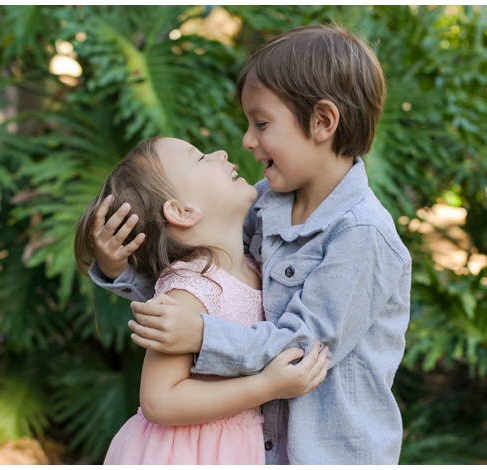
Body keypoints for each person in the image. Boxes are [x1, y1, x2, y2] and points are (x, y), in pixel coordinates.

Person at [89, 24, 411, 464]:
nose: (246, 141)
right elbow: (207, 283)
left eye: (261, 123)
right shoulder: (263, 205)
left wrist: (202, 337)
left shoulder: (362, 236)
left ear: (322, 122)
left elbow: (303, 350)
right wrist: (119, 269)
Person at [75, 136, 329, 465]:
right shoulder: (189, 290)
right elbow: (159, 401)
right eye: (199, 158)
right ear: (182, 211)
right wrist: (265, 386)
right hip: (184, 452)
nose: (221, 153)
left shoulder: (256, 265)